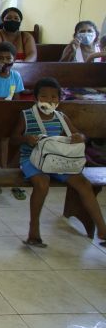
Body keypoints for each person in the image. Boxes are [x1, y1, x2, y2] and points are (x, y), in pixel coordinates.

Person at [12, 77, 106, 247]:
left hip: (58, 160)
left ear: (59, 99)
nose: (49, 100)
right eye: (44, 96)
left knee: (84, 184)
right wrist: (26, 139)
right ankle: (34, 228)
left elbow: (78, 135)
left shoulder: (61, 117)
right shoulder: (26, 116)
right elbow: (14, 139)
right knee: (42, 183)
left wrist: (80, 137)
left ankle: (102, 229)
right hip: (32, 159)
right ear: (35, 98)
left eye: (54, 97)